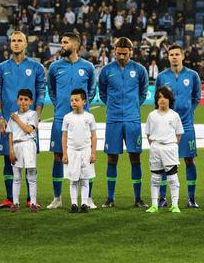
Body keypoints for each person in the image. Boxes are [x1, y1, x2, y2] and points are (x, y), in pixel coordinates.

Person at [0, 31, 46, 208]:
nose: (16, 43)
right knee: (9, 159)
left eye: (19, 41)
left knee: (29, 159)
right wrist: (0, 117)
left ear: (26, 44)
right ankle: (10, 198)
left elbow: (41, 92)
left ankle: (30, 199)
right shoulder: (1, 68)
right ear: (10, 44)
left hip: (28, 121)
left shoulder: (36, 67)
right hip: (9, 121)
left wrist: (37, 116)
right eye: (13, 41)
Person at [47, 32, 97, 210]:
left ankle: (88, 198)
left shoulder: (88, 67)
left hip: (83, 119)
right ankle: (57, 197)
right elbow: (51, 91)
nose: (62, 45)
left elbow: (91, 91)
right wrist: (61, 106)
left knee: (86, 157)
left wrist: (81, 108)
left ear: (75, 45)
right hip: (61, 117)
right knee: (58, 156)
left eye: (65, 42)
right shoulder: (54, 67)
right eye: (62, 42)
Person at [98, 37, 149, 208]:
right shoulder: (106, 71)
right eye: (118, 53)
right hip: (113, 119)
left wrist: (132, 107)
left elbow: (143, 93)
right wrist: (113, 107)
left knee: (135, 157)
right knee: (112, 158)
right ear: (114, 52)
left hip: (132, 119)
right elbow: (103, 94)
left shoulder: (139, 70)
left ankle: (138, 198)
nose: (121, 57)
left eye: (125, 54)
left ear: (131, 52)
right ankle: (110, 199)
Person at [153, 44, 201, 208]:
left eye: (176, 54)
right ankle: (162, 198)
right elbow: (157, 99)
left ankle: (191, 198)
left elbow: (196, 98)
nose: (174, 57)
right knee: (164, 162)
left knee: (189, 160)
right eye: (171, 54)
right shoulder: (161, 76)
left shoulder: (193, 75)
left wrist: (187, 111)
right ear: (168, 57)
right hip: (166, 126)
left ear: (182, 56)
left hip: (186, 124)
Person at [145, 86, 184, 214]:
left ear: (169, 99)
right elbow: (148, 134)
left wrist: (171, 145)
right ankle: (154, 205)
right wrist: (155, 145)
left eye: (165, 97)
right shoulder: (152, 115)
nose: (162, 100)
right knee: (155, 178)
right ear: (156, 100)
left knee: (172, 178)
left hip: (170, 148)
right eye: (159, 97)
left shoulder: (175, 115)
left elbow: (178, 134)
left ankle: (174, 205)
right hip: (156, 147)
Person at [61, 88, 97, 213]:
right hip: (72, 152)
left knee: (85, 179)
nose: (74, 102)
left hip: (86, 151)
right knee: (73, 180)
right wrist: (65, 153)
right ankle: (74, 204)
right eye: (72, 100)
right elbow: (64, 136)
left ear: (84, 102)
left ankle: (84, 204)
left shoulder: (89, 117)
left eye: (77, 100)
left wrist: (93, 153)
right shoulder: (67, 118)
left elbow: (93, 136)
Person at [7, 89, 39, 212]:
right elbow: (10, 134)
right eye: (21, 99)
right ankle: (15, 203)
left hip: (28, 144)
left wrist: (17, 119)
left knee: (31, 175)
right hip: (16, 146)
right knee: (16, 176)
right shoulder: (13, 116)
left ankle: (33, 203)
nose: (23, 102)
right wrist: (11, 150)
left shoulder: (33, 114)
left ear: (31, 102)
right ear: (17, 101)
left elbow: (28, 130)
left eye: (26, 99)